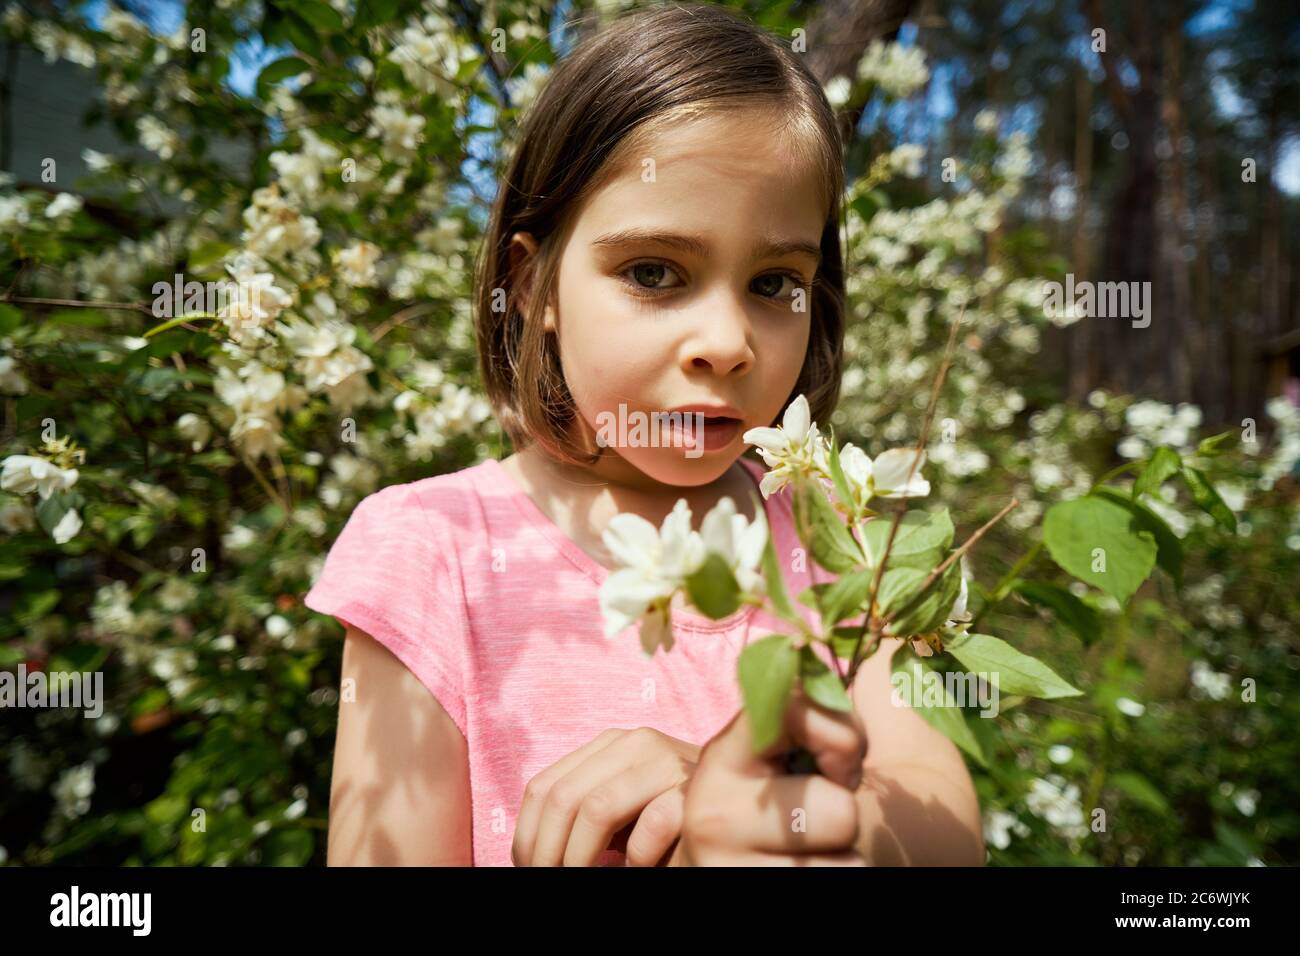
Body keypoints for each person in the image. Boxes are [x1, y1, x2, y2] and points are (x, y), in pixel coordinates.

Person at [305, 2, 983, 867]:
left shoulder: (845, 537)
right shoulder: (431, 552)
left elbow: (944, 831)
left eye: (775, 283)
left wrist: (739, 814)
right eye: (654, 273)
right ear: (535, 285)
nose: (727, 344)